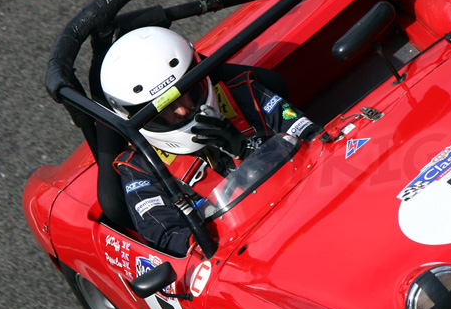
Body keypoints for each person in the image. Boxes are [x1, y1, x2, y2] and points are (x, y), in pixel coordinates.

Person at [99, 26, 320, 256]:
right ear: (134, 115)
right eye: (164, 107)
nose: (183, 110)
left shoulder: (245, 94)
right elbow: (168, 237)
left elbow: (315, 139)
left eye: (185, 90)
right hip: (245, 253)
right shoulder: (139, 169)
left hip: (305, 205)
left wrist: (247, 150)